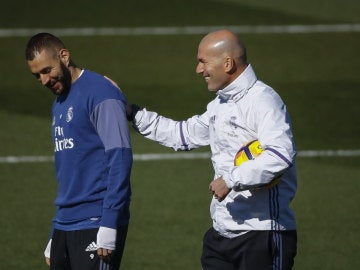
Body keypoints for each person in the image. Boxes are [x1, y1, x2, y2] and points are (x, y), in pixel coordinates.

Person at [127, 29, 297, 270]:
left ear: (227, 63)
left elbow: (280, 155)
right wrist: (133, 113)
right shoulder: (220, 104)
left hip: (262, 235)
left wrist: (230, 179)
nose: (199, 70)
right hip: (222, 235)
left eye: (203, 61)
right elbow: (182, 135)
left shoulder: (263, 101)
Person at [25, 33, 132, 270]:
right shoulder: (59, 102)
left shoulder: (100, 93)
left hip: (96, 219)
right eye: (37, 76)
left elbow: (121, 158)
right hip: (66, 223)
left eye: (46, 70)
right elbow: (69, 172)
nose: (43, 80)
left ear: (64, 56)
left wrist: (110, 222)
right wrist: (57, 228)